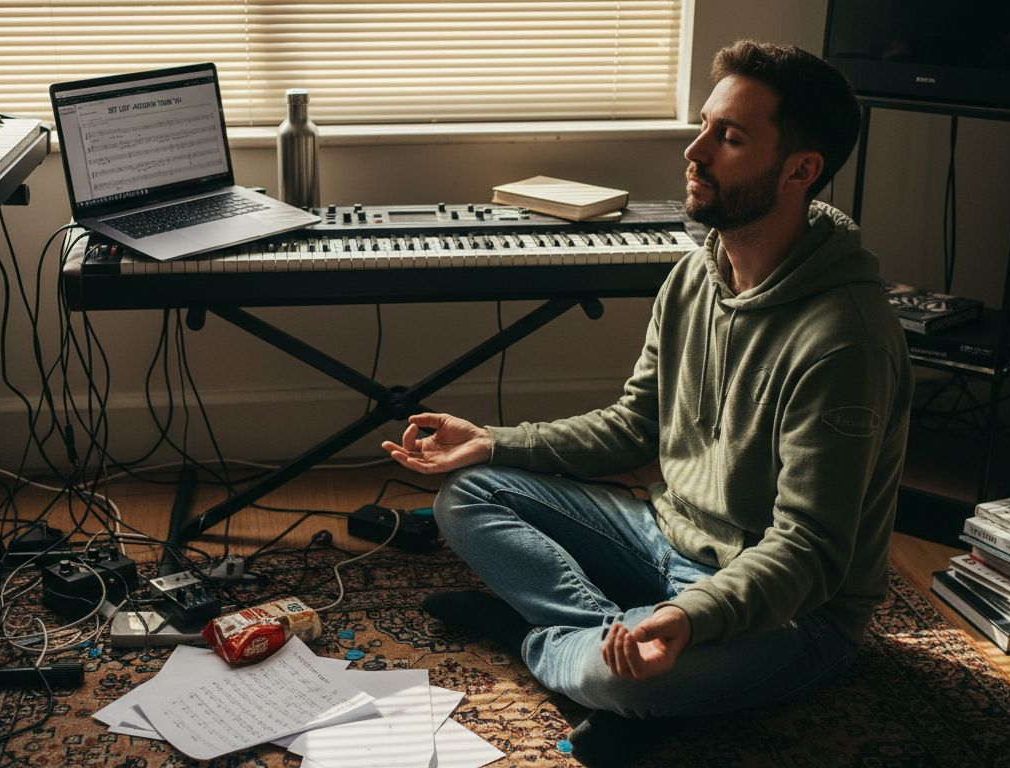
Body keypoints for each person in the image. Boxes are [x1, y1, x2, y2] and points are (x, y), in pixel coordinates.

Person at [381, 40, 913, 765]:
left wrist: (686, 620)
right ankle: (603, 638)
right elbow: (634, 427)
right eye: (704, 125)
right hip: (662, 538)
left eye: (729, 137)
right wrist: (493, 443)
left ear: (801, 170)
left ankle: (544, 637)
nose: (694, 151)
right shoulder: (698, 273)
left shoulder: (844, 340)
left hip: (797, 616)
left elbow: (811, 552)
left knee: (620, 682)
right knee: (465, 495)